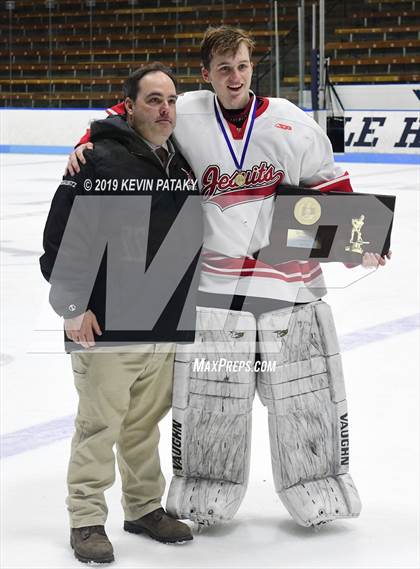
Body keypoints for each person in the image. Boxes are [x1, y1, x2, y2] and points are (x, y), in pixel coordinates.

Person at [67, 27, 391, 530]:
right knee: (213, 398)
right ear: (206, 74)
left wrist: (361, 242)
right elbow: (126, 116)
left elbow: (331, 186)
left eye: (241, 66)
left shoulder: (291, 122)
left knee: (305, 394)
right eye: (223, 69)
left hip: (291, 291)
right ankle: (205, 485)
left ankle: (316, 481)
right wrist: (85, 143)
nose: (234, 77)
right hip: (216, 294)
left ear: (250, 66)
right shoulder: (186, 112)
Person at [40, 63, 202, 564]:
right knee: (99, 425)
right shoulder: (98, 160)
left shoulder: (180, 163)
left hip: (162, 321)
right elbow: (57, 242)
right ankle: (86, 519)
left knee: (142, 425)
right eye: (153, 100)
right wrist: (72, 307)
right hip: (106, 324)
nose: (165, 109)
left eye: (171, 100)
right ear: (127, 106)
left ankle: (143, 508)